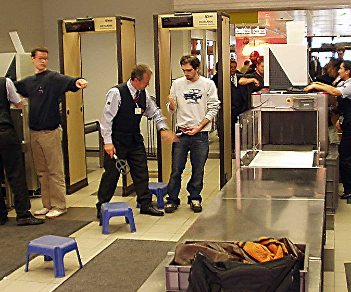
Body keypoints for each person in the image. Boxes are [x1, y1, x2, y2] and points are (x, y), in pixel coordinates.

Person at [15, 46, 88, 219]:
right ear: (32, 59)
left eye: (45, 58)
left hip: (51, 131)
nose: (43, 61)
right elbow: (13, 88)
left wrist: (78, 82)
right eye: (40, 58)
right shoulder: (29, 82)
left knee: (54, 170)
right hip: (35, 131)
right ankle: (47, 204)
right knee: (41, 171)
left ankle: (59, 205)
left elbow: (70, 82)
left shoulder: (52, 78)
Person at [96, 64, 177, 218]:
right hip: (116, 140)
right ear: (135, 80)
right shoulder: (116, 93)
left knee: (141, 172)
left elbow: (155, 113)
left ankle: (145, 204)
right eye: (146, 81)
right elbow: (106, 120)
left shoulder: (143, 94)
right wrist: (107, 142)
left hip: (134, 139)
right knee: (111, 176)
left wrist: (163, 129)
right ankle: (101, 206)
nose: (148, 84)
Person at [164, 55, 220, 214]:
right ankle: (172, 199)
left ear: (197, 69)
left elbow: (214, 108)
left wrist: (199, 126)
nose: (186, 73)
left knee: (198, 168)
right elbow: (171, 109)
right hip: (181, 132)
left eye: (189, 70)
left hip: (200, 133)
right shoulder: (177, 83)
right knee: (176, 168)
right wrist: (172, 104)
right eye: (184, 70)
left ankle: (194, 197)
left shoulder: (208, 84)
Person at [305, 61, 351, 199]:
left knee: (345, 156)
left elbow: (333, 91)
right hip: (348, 123)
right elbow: (332, 87)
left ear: (348, 71)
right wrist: (317, 85)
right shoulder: (348, 83)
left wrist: (315, 85)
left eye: (341, 69)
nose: (339, 71)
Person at [0, 77, 44, 226]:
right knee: (16, 173)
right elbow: (18, 104)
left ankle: (1, 215)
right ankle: (23, 213)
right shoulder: (4, 82)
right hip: (4, 131)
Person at [230, 60, 249, 149]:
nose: (233, 69)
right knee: (231, 128)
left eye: (234, 67)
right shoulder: (222, 79)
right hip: (230, 107)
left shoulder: (240, 77)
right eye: (231, 67)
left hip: (241, 107)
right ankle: (232, 145)